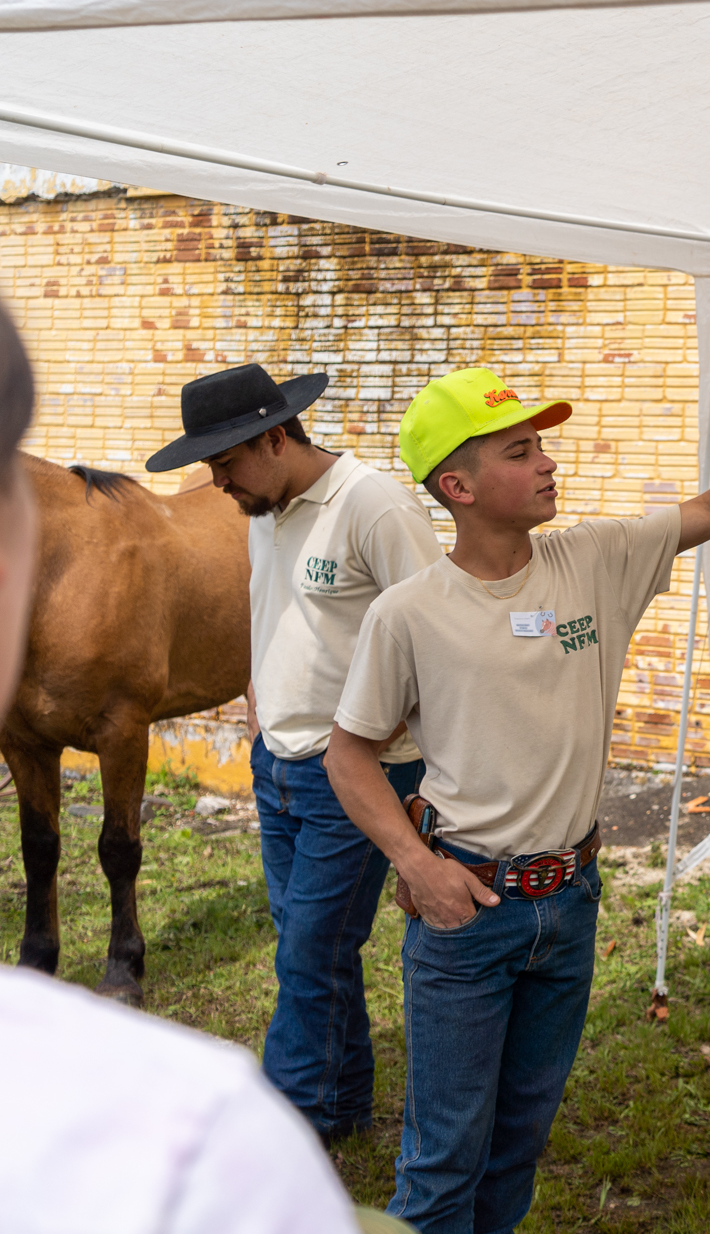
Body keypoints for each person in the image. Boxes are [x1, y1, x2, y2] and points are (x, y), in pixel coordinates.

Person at [322, 366, 710, 1233]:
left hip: (570, 902)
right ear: (458, 487)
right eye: (519, 452)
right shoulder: (408, 613)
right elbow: (347, 755)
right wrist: (416, 865)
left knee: (518, 1144)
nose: (547, 463)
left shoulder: (594, 558)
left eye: (541, 445)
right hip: (467, 914)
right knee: (444, 1159)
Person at [0, 300, 363, 1233]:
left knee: (297, 924)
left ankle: (125, 944)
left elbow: (125, 722)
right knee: (36, 822)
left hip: (316, 755)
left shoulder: (321, 514)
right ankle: (40, 944)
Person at [144, 362, 443, 1144]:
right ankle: (340, 1105)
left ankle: (278, 1137)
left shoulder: (373, 506)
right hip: (276, 766)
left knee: (309, 955)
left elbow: (440, 635)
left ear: (276, 438)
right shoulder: (262, 508)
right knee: (314, 949)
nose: (217, 483)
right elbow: (273, 613)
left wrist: (383, 741)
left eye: (225, 463)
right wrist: (259, 705)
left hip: (356, 774)